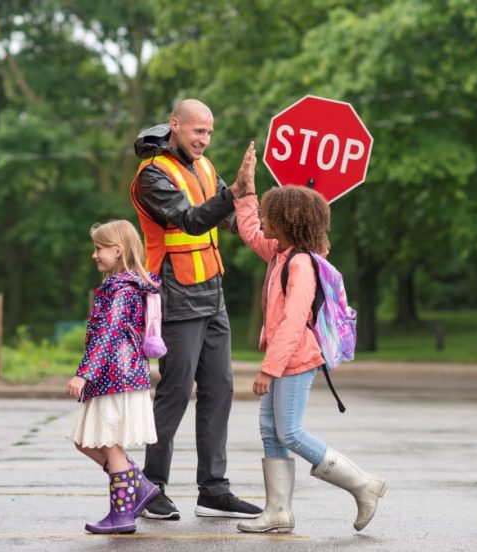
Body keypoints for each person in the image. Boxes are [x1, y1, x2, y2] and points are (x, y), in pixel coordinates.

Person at [231, 168, 386, 533]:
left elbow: (294, 321)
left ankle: (362, 485)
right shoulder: (280, 253)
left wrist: (269, 368)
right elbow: (251, 231)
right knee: (271, 431)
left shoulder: (300, 264)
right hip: (286, 358)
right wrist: (247, 195)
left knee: (290, 432)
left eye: (270, 214)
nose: (264, 220)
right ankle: (278, 512)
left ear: (286, 222)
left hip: (296, 360)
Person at [129, 99, 261, 519]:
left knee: (220, 389)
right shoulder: (152, 174)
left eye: (209, 132)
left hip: (211, 291)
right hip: (175, 294)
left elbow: (230, 217)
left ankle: (213, 490)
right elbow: (189, 220)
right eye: (197, 131)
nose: (204, 140)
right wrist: (234, 193)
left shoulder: (203, 168)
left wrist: (288, 214)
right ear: (175, 125)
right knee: (174, 392)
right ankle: (150, 488)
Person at [66, 220, 162, 534]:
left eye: (99, 248)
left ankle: (122, 515)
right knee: (85, 440)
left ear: (117, 250)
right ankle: (140, 485)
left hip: (114, 377)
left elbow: (107, 334)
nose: (94, 255)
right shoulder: (126, 285)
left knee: (108, 444)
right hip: (118, 376)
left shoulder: (120, 289)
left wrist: (84, 374)